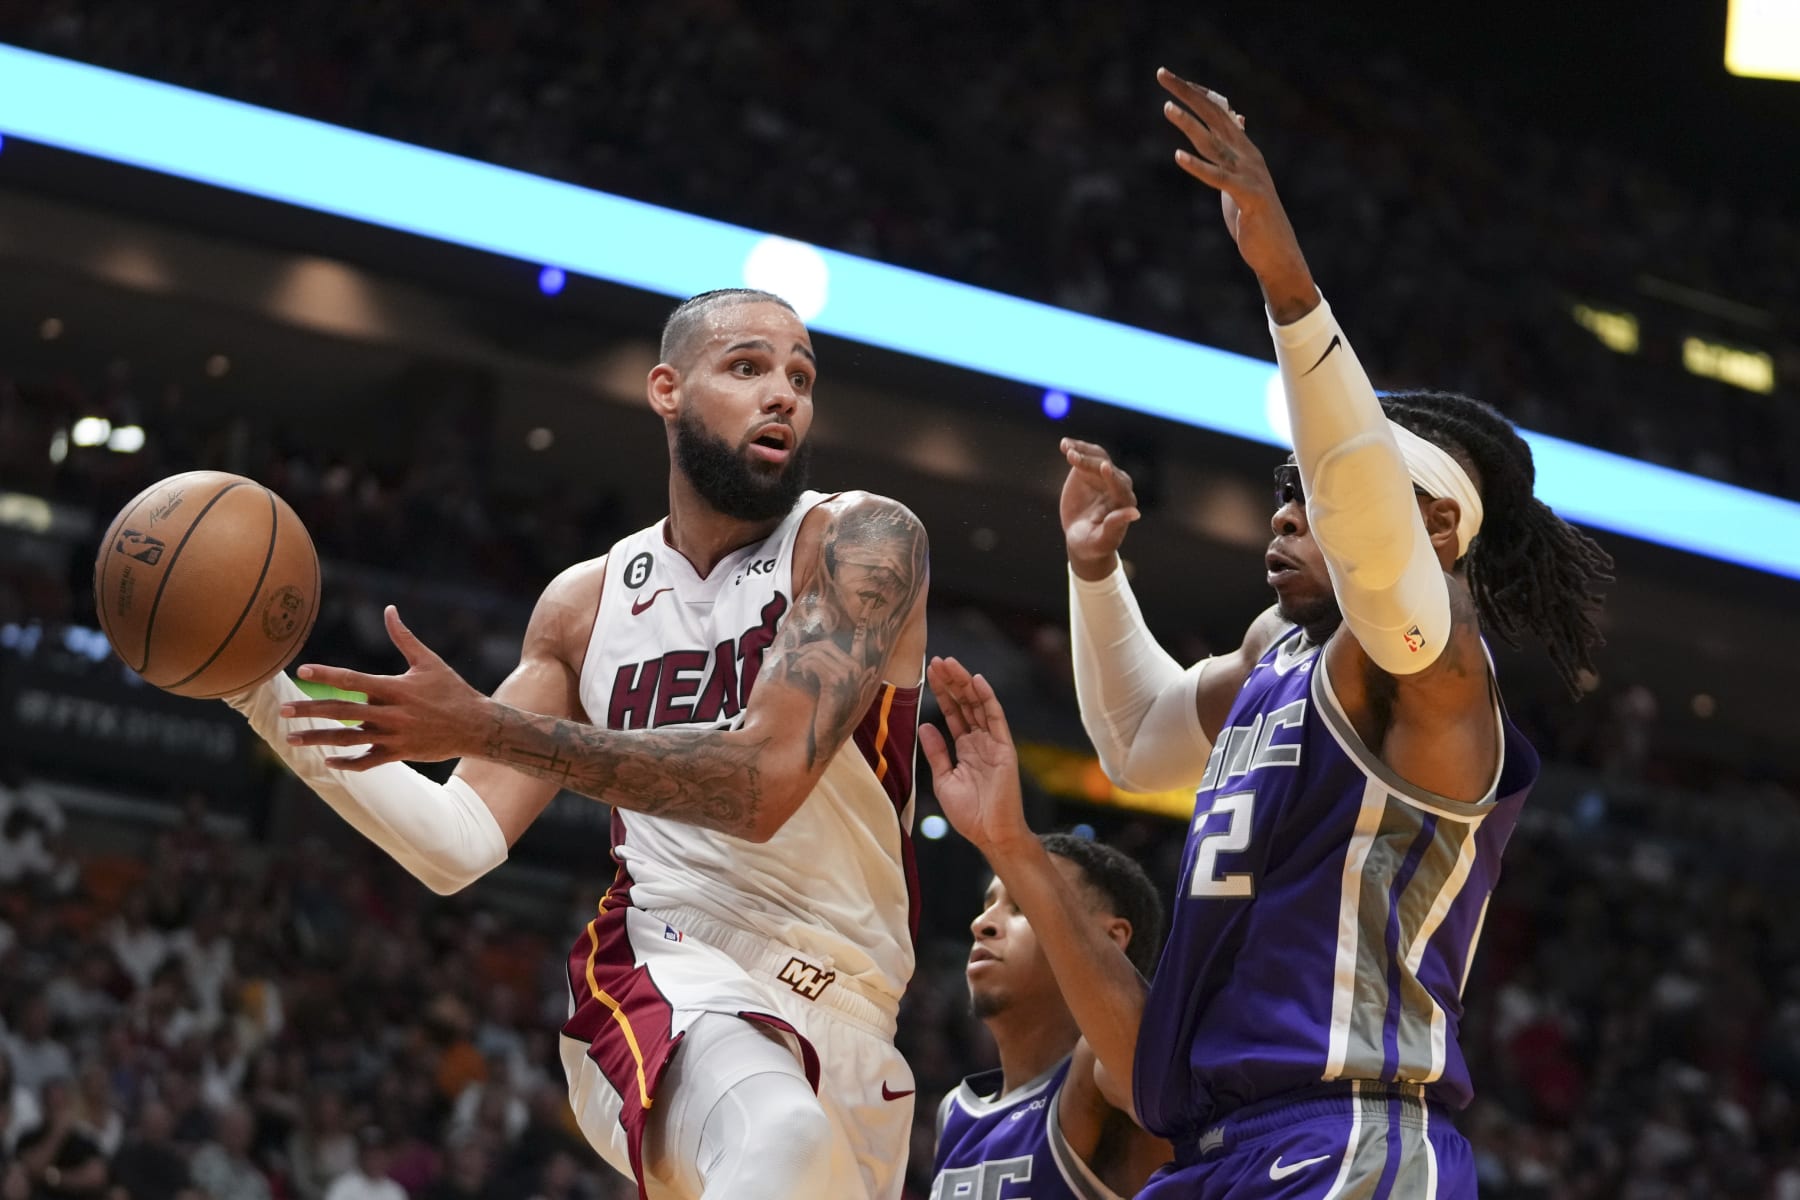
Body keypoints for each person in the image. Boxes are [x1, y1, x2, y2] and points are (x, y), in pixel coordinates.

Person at [926, 68, 1614, 1200]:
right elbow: (1140, 741)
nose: (1290, 506)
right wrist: (1095, 576)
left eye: (1321, 491)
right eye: (1284, 487)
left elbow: (1369, 523)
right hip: (1211, 1146)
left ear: (1435, 523)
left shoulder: (1433, 670)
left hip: (1350, 1133)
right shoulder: (1276, 654)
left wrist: (1287, 286)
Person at [225, 288, 930, 1199]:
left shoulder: (866, 540)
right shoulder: (585, 604)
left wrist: (489, 727)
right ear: (666, 389)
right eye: (748, 368)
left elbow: (760, 783)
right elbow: (458, 841)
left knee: (788, 1146)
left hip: (861, 1019)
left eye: (801, 376)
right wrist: (254, 690)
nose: (784, 394)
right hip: (670, 965)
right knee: (780, 1140)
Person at [929, 833, 1170, 1199]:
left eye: (1023, 906)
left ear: (1109, 939)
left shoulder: (1106, 1077)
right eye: (988, 904)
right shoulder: (954, 1112)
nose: (982, 924)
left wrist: (1006, 832)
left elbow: (1145, 1047)